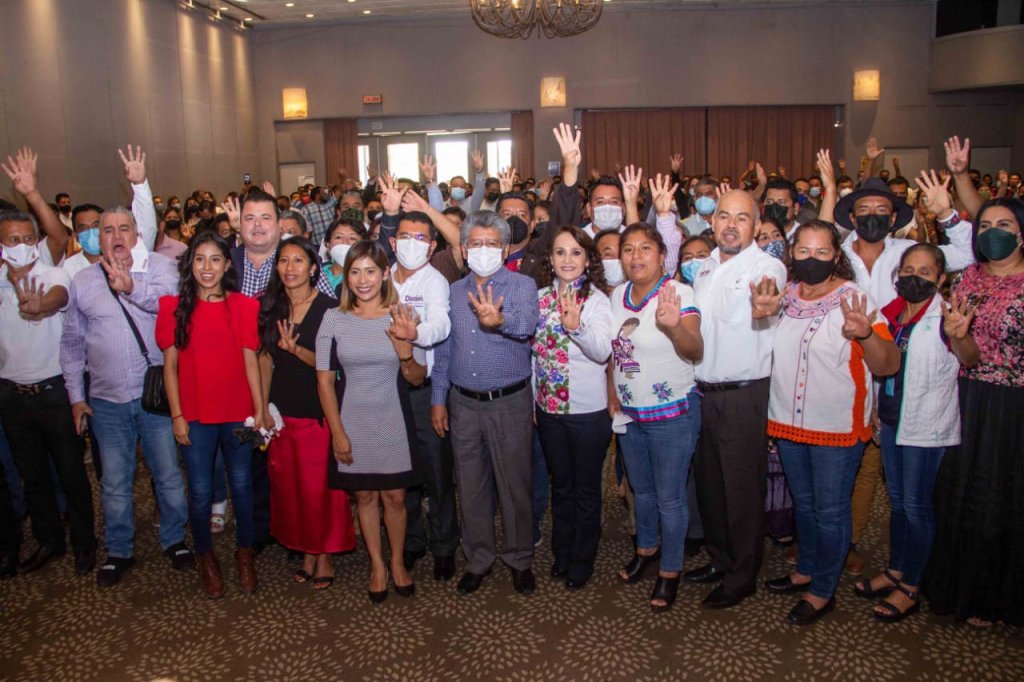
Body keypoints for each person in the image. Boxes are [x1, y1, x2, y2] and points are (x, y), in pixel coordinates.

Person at [764, 220, 899, 625]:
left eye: (821, 252)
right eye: (803, 251)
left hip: (835, 426)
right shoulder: (784, 296)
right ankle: (806, 568)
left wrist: (865, 335)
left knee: (830, 510)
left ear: (836, 255)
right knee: (803, 504)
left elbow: (887, 364)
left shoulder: (855, 298)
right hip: (787, 422)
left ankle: (823, 589)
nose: (812, 259)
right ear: (792, 253)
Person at [60, 206, 192, 587]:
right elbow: (72, 344)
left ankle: (174, 539)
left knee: (168, 475)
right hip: (106, 402)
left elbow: (172, 309)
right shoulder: (83, 282)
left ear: (137, 234)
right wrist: (76, 396)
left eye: (124, 228)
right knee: (115, 483)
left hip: (155, 398)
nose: (116, 236)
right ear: (96, 239)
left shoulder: (161, 268)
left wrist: (132, 288)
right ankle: (119, 550)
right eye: (108, 230)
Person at [678, 189, 788, 610]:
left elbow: (770, 293)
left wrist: (767, 304)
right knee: (710, 485)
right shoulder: (704, 266)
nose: (730, 225)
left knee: (741, 489)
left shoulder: (765, 266)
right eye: (724, 216)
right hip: (703, 392)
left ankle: (742, 576)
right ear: (712, 221)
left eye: (742, 218)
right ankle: (720, 559)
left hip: (744, 395)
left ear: (756, 226)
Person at [852, 244, 971, 622]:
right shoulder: (891, 314)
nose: (914, 278)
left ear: (940, 278)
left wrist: (960, 336)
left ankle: (912, 586)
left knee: (916, 507)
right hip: (891, 420)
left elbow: (970, 358)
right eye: (908, 270)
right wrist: (874, 407)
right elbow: (881, 365)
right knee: (899, 504)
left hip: (924, 426)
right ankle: (896, 569)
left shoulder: (946, 317)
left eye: (924, 272)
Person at [924, 197, 1024, 628]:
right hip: (969, 397)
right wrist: (959, 336)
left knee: (1007, 498)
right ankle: (962, 589)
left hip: (1015, 408)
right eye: (984, 226)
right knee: (964, 494)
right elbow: (967, 355)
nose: (992, 233)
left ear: (1021, 233)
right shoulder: (968, 279)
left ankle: (1001, 597)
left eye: (1004, 224)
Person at [431, 211, 540, 596]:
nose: (483, 250)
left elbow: (527, 326)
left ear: (505, 249)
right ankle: (478, 559)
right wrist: (438, 398)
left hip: (509, 401)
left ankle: (519, 558)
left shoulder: (523, 285)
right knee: (471, 486)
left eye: (491, 243)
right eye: (475, 243)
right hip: (463, 403)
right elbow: (444, 351)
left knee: (515, 485)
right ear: (463, 249)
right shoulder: (453, 292)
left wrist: (500, 320)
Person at [157, 231, 264, 598]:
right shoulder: (173, 308)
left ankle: (245, 553)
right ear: (190, 265)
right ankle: (206, 556)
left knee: (242, 487)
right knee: (201, 492)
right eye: (200, 259)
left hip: (237, 414)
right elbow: (170, 368)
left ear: (226, 265)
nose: (207, 267)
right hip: (195, 415)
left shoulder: (244, 306)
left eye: (215, 259)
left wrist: (259, 410)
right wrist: (176, 415)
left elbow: (251, 362)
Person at [316, 240, 424, 603]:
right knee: (363, 495)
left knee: (395, 496)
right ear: (346, 277)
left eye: (370, 271)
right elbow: (324, 381)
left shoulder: (402, 315)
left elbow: (417, 378)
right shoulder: (333, 318)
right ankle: (377, 565)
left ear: (384, 274)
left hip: (393, 415)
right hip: (352, 417)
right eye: (355, 272)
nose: (363, 280)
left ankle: (397, 562)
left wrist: (406, 355)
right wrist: (337, 433)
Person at [610, 221, 703, 612]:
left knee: (669, 497)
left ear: (662, 255)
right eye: (628, 249)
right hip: (630, 414)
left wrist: (674, 326)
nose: (636, 256)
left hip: (672, 414)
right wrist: (613, 395)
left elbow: (695, 350)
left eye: (645, 248)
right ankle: (646, 549)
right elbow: (615, 352)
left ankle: (670, 569)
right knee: (641, 490)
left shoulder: (678, 292)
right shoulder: (616, 295)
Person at [0, 210, 97, 576]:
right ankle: (49, 539)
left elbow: (58, 297)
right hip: (12, 395)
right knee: (33, 474)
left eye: (28, 239)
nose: (22, 246)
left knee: (71, 471)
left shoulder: (52, 274)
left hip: (55, 391)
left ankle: (85, 543)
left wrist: (39, 305)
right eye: (13, 240)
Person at [257, 237, 353, 588]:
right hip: (281, 413)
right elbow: (264, 359)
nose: (290, 268)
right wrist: (261, 408)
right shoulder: (270, 306)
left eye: (298, 260)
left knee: (318, 490)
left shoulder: (330, 309)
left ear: (314, 267)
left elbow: (335, 365)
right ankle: (306, 549)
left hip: (318, 412)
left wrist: (296, 350)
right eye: (284, 260)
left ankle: (323, 553)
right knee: (290, 488)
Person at [533, 225, 612, 591]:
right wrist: (534, 399)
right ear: (550, 260)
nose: (568, 259)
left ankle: (582, 558)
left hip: (587, 413)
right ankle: (562, 552)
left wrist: (577, 328)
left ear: (588, 259)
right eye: (560, 252)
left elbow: (602, 351)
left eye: (576, 252)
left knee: (586, 489)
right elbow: (534, 355)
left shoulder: (597, 300)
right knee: (561, 485)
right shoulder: (538, 298)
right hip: (548, 410)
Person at [384, 212, 459, 582]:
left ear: (431, 246)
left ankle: (445, 545)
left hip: (423, 388)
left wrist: (415, 333)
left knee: (437, 472)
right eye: (405, 236)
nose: (411, 244)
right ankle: (412, 540)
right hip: (385, 388)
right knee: (401, 471)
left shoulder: (434, 281)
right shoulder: (378, 277)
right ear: (392, 241)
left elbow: (442, 326)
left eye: (420, 238)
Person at [320, 218, 368, 295]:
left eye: (352, 238)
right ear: (328, 245)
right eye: (338, 237)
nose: (345, 242)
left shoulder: (366, 278)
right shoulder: (315, 273)